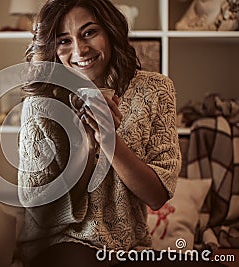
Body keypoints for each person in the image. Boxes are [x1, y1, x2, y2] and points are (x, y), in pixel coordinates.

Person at [16, 0, 183, 266]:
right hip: (60, 243)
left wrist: (109, 140)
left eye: (89, 32)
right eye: (63, 41)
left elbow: (157, 196)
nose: (80, 50)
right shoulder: (41, 104)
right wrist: (86, 146)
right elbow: (39, 208)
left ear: (110, 31)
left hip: (129, 249)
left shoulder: (155, 90)